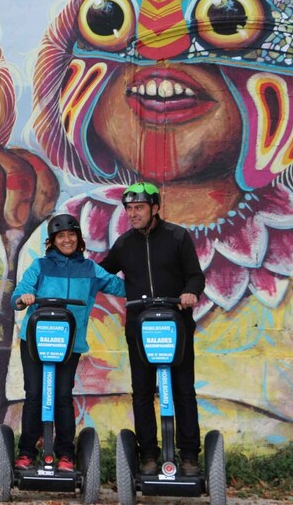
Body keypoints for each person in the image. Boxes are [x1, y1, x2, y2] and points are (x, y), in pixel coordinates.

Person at [99, 182, 206, 477]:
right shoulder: (124, 243)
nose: (133, 214)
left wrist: (190, 293)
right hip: (139, 328)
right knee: (143, 393)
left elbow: (195, 276)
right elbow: (101, 270)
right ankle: (147, 455)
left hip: (176, 326)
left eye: (139, 209)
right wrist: (71, 271)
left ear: (155, 209)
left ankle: (189, 457)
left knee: (184, 391)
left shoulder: (177, 237)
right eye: (129, 209)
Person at [10, 214, 125, 471]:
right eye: (61, 236)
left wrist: (147, 283)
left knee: (62, 396)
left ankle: (65, 454)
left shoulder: (90, 269)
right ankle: (26, 452)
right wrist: (25, 298)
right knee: (34, 396)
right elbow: (18, 295)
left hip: (69, 343)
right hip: (35, 342)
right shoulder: (40, 266)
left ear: (78, 239)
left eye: (71, 235)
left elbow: (119, 286)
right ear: (52, 241)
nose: (67, 240)